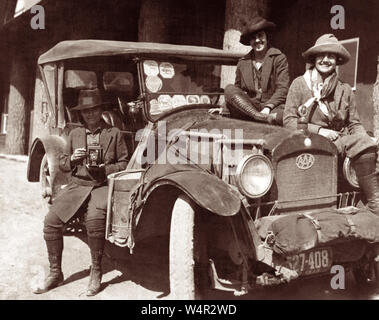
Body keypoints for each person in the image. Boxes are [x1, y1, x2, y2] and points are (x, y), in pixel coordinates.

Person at [33, 89, 128, 296]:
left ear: (100, 110)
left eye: (93, 110)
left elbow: (124, 164)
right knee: (51, 221)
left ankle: (96, 271)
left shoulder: (114, 133)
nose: (90, 114)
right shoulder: (74, 134)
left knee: (94, 220)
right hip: (78, 185)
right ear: (81, 114)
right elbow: (64, 164)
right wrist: (74, 159)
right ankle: (55, 273)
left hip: (101, 186)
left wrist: (105, 169)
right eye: (85, 112)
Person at [283, 33, 379, 216]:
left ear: (337, 60)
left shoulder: (344, 90)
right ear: (314, 58)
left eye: (331, 56)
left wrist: (367, 139)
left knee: (369, 144)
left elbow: (354, 123)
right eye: (321, 55)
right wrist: (320, 130)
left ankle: (372, 203)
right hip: (309, 141)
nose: (325, 60)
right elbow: (288, 121)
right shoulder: (300, 84)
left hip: (339, 141)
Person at [224, 16, 290, 125]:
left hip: (273, 107)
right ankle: (258, 117)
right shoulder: (243, 62)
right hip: (250, 107)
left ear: (266, 37)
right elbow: (237, 90)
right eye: (253, 38)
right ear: (250, 42)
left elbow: (283, 89)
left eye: (260, 36)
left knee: (285, 116)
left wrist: (268, 107)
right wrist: (225, 106)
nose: (257, 40)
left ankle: (259, 117)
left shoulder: (279, 58)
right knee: (229, 89)